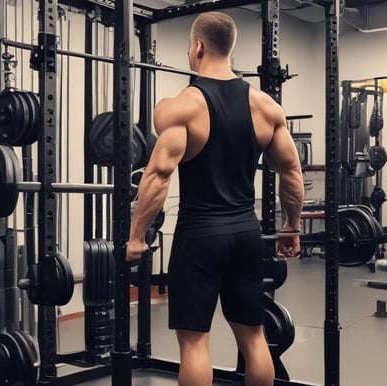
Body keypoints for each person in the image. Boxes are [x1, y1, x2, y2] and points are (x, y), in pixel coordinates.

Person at [125, 11, 304, 386]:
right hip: (245, 234)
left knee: (193, 345)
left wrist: (137, 237)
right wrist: (291, 227)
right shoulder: (266, 107)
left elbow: (158, 175)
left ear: (198, 46)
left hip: (200, 236)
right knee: (254, 338)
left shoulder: (181, 106)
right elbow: (290, 172)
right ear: (231, 47)